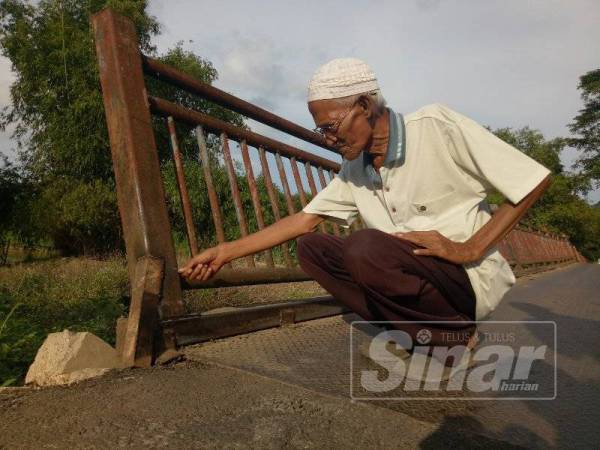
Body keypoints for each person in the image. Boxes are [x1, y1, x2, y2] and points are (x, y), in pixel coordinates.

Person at [178, 58, 551, 362]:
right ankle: (424, 335)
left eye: (330, 127)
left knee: (364, 247)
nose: (328, 139)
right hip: (410, 269)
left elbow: (532, 180)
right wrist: (224, 252)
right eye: (320, 131)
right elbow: (304, 220)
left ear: (365, 107)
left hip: (464, 278)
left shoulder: (435, 126)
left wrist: (468, 247)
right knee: (314, 249)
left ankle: (455, 334)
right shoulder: (355, 169)